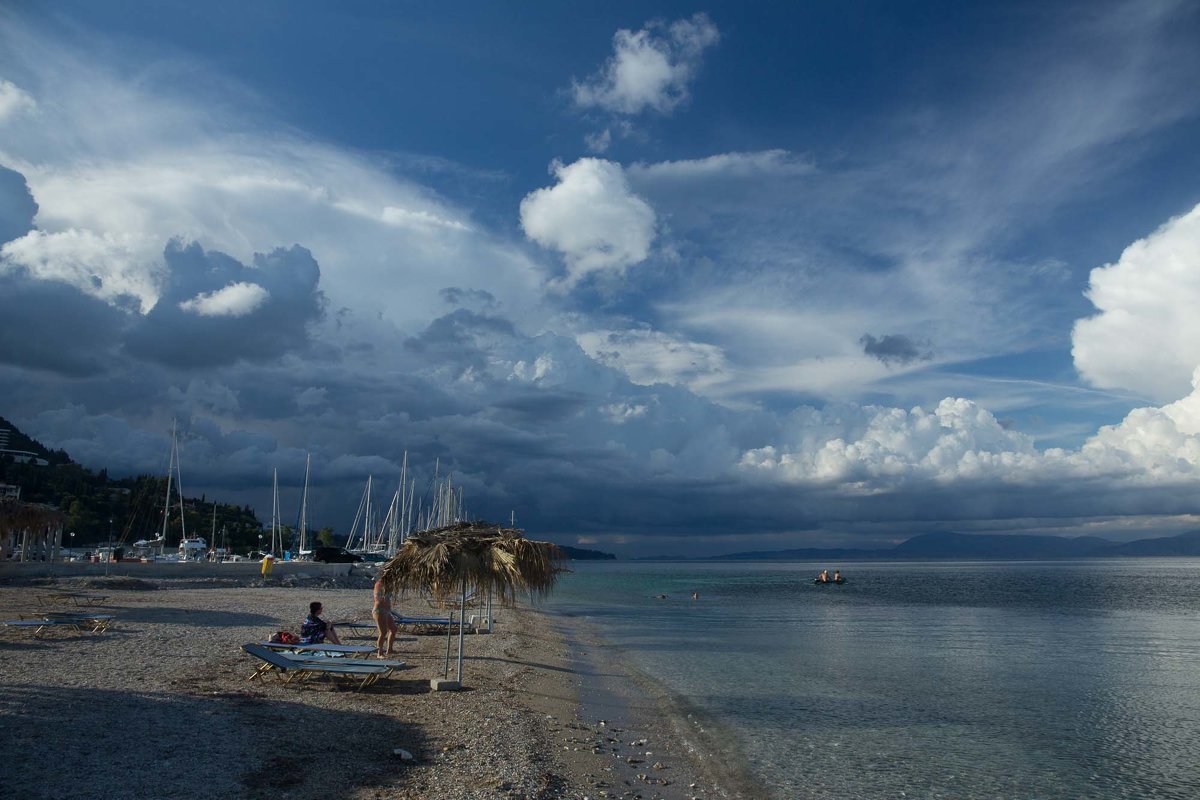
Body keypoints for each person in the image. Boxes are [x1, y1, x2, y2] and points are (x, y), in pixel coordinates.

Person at [372, 577, 397, 658]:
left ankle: (389, 649)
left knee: (393, 628)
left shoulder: (389, 584)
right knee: (383, 632)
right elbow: (381, 597)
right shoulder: (379, 584)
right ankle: (379, 653)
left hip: (386, 611)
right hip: (379, 610)